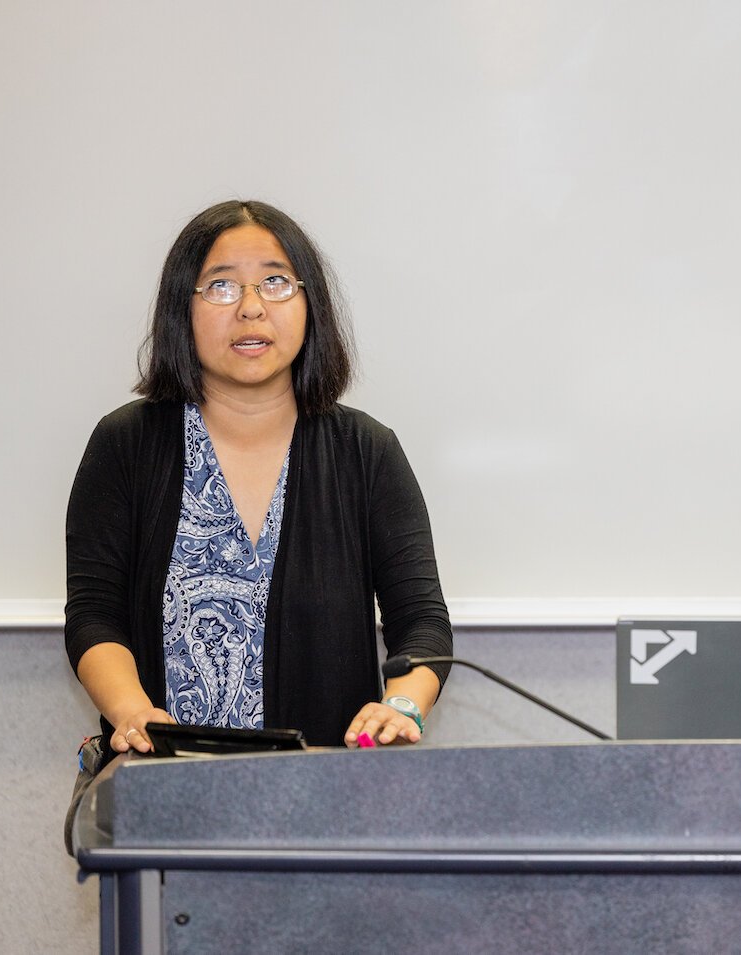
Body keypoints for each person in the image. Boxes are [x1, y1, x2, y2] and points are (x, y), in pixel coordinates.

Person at [65, 200, 451, 759]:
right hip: (164, 786)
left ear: (309, 303)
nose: (251, 308)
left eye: (275, 282)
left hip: (323, 798)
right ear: (183, 308)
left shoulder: (366, 451)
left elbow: (423, 625)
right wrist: (129, 710)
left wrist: (403, 705)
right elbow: (94, 615)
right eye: (221, 286)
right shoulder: (127, 444)